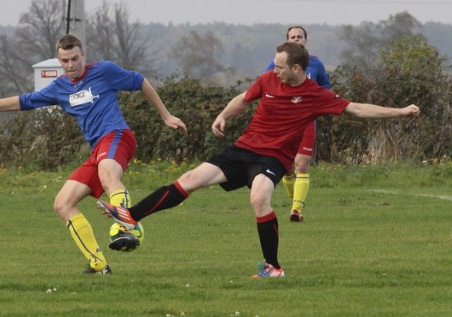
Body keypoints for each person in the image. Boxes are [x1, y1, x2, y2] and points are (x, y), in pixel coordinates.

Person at [97, 41, 419, 278]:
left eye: (279, 65)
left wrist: (400, 112)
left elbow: (357, 109)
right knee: (192, 179)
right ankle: (131, 216)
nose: (273, 69)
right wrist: (223, 115)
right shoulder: (267, 81)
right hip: (244, 148)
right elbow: (243, 98)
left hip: (273, 157)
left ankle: (273, 268)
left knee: (259, 197)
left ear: (296, 68)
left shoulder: (315, 95)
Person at [0, 34, 187, 274]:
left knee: (108, 174)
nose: (70, 65)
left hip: (117, 136)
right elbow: (24, 101)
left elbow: (140, 81)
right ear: (60, 60)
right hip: (97, 150)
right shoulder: (60, 87)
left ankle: (125, 228)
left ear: (83, 56)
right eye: (65, 60)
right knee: (63, 203)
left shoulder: (104, 71)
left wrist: (166, 115)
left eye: (75, 59)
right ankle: (98, 265)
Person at [264, 26, 331, 222]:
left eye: (299, 36)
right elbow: (265, 86)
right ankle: (297, 202)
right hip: (283, 123)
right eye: (292, 37)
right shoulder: (274, 64)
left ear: (305, 40)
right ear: (287, 40)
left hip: (307, 121)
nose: (296, 39)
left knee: (302, 164)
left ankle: (296, 210)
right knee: (286, 168)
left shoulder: (316, 64)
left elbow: (326, 89)